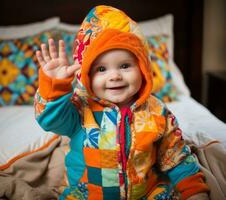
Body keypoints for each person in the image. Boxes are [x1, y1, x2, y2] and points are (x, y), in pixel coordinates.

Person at [34, 5, 209, 200]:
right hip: (85, 195)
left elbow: (176, 158)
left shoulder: (157, 112)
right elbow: (49, 120)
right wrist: (56, 87)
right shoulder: (80, 107)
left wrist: (195, 191)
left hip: (147, 194)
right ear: (86, 75)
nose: (115, 76)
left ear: (142, 67)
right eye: (101, 69)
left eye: (125, 66)